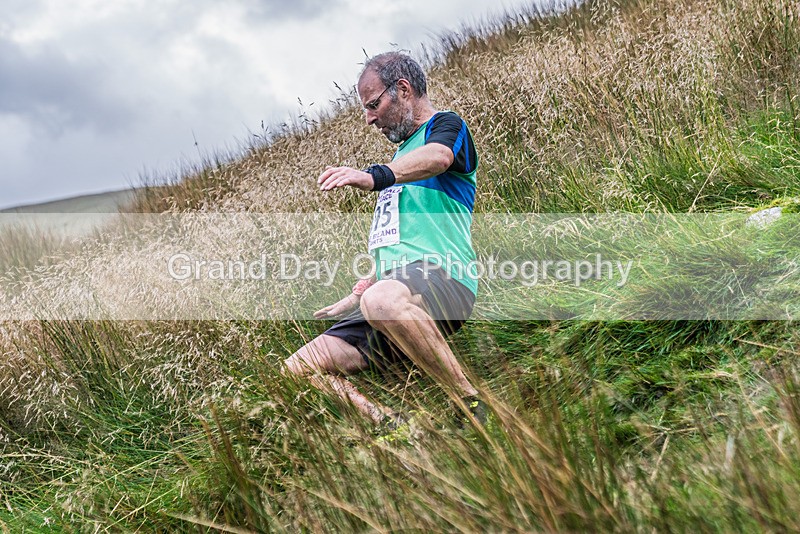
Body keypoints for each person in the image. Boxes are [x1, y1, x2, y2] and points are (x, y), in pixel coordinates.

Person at [283, 51, 485, 430]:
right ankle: (390, 425)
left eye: (374, 105)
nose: (369, 118)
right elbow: (401, 241)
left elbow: (440, 158)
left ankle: (469, 402)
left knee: (382, 300)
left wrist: (375, 176)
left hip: (447, 279)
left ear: (403, 90)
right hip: (391, 295)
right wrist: (359, 292)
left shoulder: (445, 128)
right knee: (296, 367)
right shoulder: (401, 158)